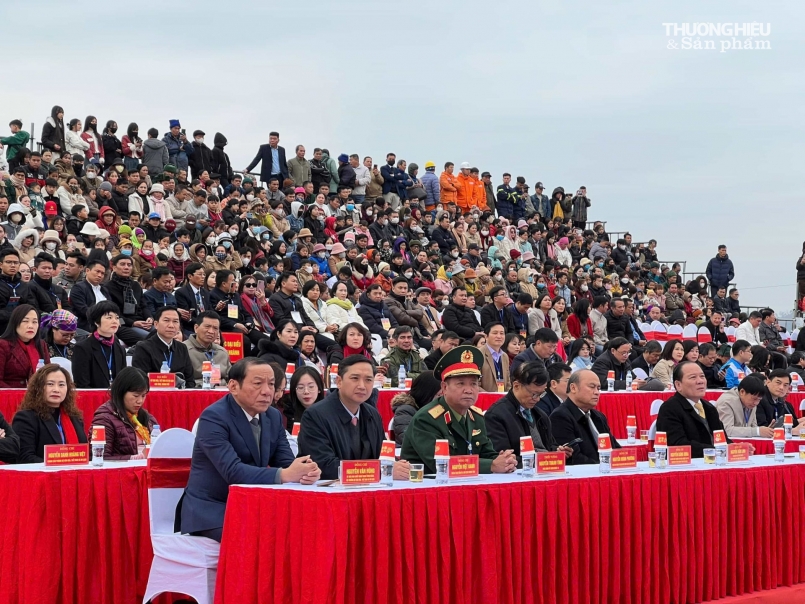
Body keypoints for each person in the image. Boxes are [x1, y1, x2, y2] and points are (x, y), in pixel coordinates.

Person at [180, 358, 321, 542]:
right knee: (265, 537)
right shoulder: (213, 417)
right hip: (213, 510)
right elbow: (233, 472)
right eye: (257, 384)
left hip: (254, 504)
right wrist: (285, 475)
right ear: (233, 386)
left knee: (305, 526)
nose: (267, 391)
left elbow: (286, 462)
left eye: (271, 384)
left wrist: (305, 471)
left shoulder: (272, 416)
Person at [400, 345, 518, 474]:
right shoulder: (427, 419)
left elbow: (486, 453)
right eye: (461, 383)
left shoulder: (475, 416)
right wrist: (490, 465)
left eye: (473, 384)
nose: (469, 390)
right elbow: (441, 464)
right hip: (428, 487)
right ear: (444, 388)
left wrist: (504, 461)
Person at [298, 355, 408, 480]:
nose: (362, 386)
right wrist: (379, 472)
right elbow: (323, 466)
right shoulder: (315, 415)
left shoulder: (372, 414)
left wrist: (398, 467)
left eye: (368, 380)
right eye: (355, 378)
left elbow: (383, 455)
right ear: (339, 381)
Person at [485, 362, 574, 465]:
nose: (537, 399)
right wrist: (542, 460)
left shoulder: (540, 415)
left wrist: (558, 452)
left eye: (541, 394)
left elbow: (549, 446)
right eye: (534, 394)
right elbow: (503, 458)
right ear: (516, 386)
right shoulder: (496, 415)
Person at [656, 361, 736, 457]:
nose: (700, 381)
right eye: (693, 377)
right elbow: (677, 445)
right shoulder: (670, 408)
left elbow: (722, 439)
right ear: (678, 385)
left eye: (702, 376)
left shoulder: (709, 407)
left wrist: (734, 447)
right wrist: (716, 451)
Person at [12, 363, 86, 463]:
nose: (56, 390)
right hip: (42, 476)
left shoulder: (75, 418)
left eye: (61, 385)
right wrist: (59, 464)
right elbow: (25, 457)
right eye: (50, 384)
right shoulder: (26, 418)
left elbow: (85, 454)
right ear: (38, 388)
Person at [549, 369, 621, 465]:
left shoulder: (598, 416)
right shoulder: (560, 417)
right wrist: (604, 466)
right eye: (592, 387)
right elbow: (574, 458)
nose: (597, 392)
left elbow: (614, 447)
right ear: (573, 388)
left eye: (598, 388)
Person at [91, 367, 158, 460]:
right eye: (136, 396)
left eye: (143, 395)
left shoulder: (147, 418)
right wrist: (137, 458)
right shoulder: (104, 418)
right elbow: (100, 458)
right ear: (121, 392)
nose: (140, 401)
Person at [131, 306, 196, 387]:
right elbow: (140, 380)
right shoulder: (143, 347)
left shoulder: (182, 347)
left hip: (179, 396)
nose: (171, 325)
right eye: (166, 320)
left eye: (175, 321)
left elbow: (190, 380)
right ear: (156, 324)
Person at [71, 300, 127, 388]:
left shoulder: (120, 349)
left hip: (116, 398)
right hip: (93, 398)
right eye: (109, 317)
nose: (115, 321)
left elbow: (124, 380)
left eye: (116, 318)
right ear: (96, 322)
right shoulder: (82, 348)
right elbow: (82, 384)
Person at [0, 304, 50, 387]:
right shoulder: (3, 345)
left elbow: (49, 375)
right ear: (15, 323)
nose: (30, 326)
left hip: (37, 396)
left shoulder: (41, 344)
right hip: (10, 396)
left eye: (34, 322)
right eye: (25, 321)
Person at [390, 371, 441, 446]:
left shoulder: (441, 409)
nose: (442, 400)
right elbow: (407, 439)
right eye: (439, 395)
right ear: (427, 393)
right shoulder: (405, 410)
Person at [183, 311, 231, 385]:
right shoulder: (183, 349)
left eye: (215, 328)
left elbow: (231, 378)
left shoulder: (222, 352)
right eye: (207, 327)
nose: (211, 331)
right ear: (196, 328)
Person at [277, 366, 325, 430]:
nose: (306, 392)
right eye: (300, 387)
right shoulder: (285, 411)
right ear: (294, 390)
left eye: (311, 387)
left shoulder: (328, 411)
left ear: (319, 389)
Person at [479, 322, 511, 393]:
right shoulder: (478, 354)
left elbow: (508, 382)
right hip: (484, 399)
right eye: (495, 333)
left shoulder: (504, 356)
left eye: (502, 333)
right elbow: (475, 384)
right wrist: (490, 397)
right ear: (486, 336)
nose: (499, 336)